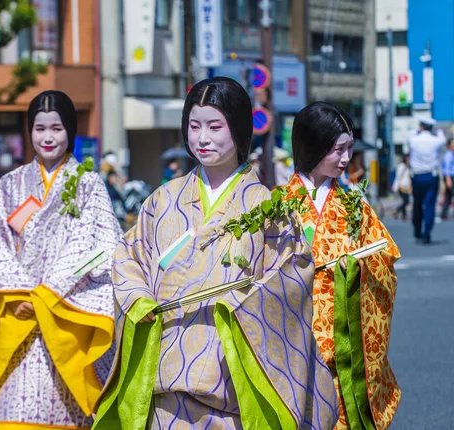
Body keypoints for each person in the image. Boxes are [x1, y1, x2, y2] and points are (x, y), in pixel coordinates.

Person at [93, 77, 339, 429]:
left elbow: (292, 275)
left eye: (214, 126)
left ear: (238, 130)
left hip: (228, 381)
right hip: (163, 379)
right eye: (194, 126)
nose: (202, 138)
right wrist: (137, 297)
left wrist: (242, 308)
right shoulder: (163, 200)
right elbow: (129, 254)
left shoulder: (265, 207)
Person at [0, 90, 123, 430]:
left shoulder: (88, 184)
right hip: (18, 312)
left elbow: (100, 247)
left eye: (56, 128)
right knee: (9, 413)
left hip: (65, 312)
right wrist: (21, 294)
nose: (47, 137)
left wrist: (49, 293)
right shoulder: (11, 184)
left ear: (70, 130)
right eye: (39, 128)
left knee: (66, 410)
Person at [283, 101, 401, 429]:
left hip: (345, 348)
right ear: (313, 146)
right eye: (339, 150)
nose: (346, 159)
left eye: (349, 148)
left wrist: (352, 272)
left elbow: (384, 267)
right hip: (294, 346)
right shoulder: (276, 206)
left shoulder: (354, 208)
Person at [408, 117, 447, 243]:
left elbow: (411, 133)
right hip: (431, 176)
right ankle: (427, 233)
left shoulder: (414, 140)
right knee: (430, 205)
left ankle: (417, 230)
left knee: (417, 204)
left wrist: (417, 130)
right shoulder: (436, 141)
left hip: (417, 176)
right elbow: (442, 137)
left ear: (421, 127)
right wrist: (438, 132)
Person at [392, 154, 412, 220]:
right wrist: (399, 186)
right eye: (408, 159)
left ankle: (402, 214)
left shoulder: (409, 167)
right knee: (406, 201)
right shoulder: (401, 166)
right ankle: (400, 213)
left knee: (405, 201)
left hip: (407, 187)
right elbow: (398, 177)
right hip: (401, 186)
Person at [440, 138, 454, 220]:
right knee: (450, 195)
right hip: (450, 177)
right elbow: (447, 169)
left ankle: (443, 213)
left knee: (448, 197)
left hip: (451, 177)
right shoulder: (448, 155)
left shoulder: (451, 154)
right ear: (449, 146)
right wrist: (448, 180)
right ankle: (443, 213)